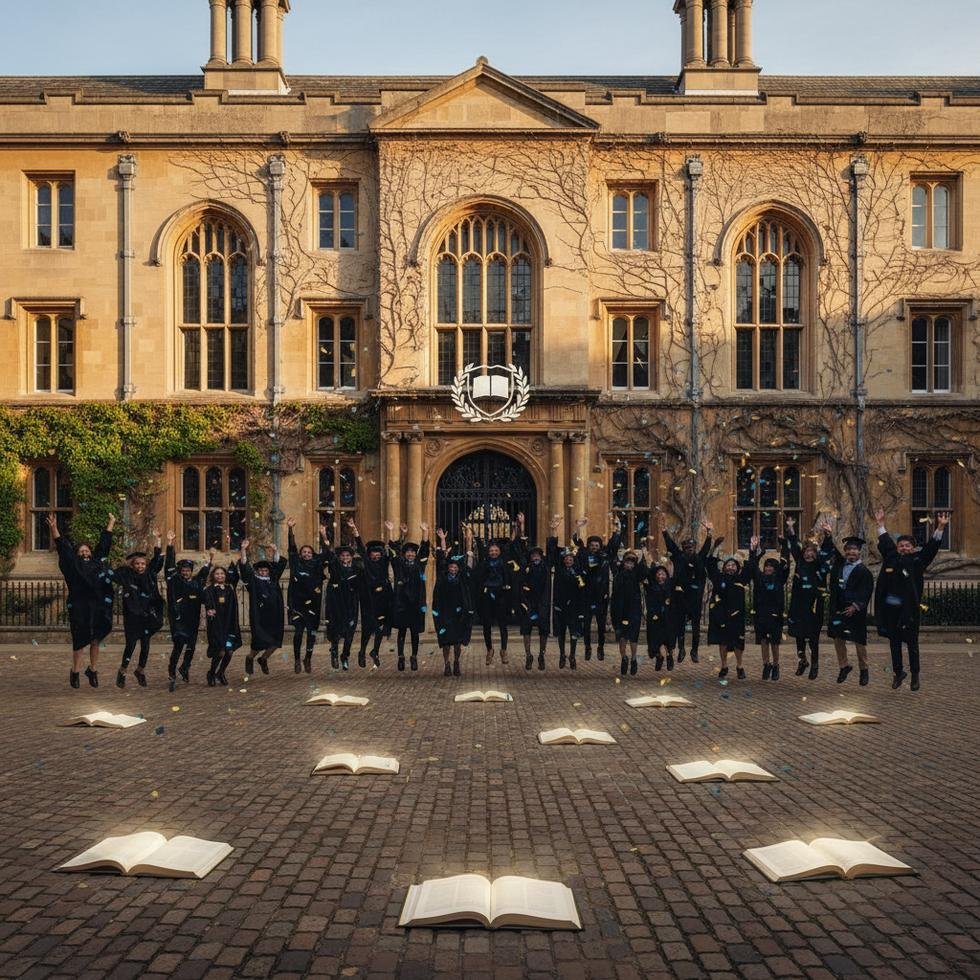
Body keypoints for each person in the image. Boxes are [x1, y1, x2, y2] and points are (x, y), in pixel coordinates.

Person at [874, 508, 947, 691]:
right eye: (901, 546)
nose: (904, 548)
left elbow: (931, 548)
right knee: (894, 644)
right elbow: (885, 543)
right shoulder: (891, 558)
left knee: (912, 645)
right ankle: (898, 673)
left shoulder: (918, 561)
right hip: (891, 610)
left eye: (907, 546)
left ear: (913, 548)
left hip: (909, 611)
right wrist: (880, 524)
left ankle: (915, 675)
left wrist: (940, 527)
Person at [50, 512, 116, 689]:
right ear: (76, 554)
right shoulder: (72, 566)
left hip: (97, 606)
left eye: (87, 550)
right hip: (79, 607)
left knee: (96, 639)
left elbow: (103, 546)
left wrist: (111, 523)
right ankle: (76, 671)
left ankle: (93, 670)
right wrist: (54, 529)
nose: (85, 553)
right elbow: (63, 548)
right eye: (81, 551)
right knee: (79, 640)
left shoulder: (96, 563)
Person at [822, 524, 876, 686]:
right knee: (838, 639)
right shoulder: (839, 565)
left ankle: (864, 669)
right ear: (845, 551)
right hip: (839, 608)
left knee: (859, 641)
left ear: (859, 552)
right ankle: (844, 666)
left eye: (854, 550)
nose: (851, 552)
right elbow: (831, 549)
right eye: (848, 550)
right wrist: (828, 534)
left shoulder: (864, 572)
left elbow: (866, 592)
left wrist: (855, 606)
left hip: (855, 611)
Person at [114, 531, 165, 689]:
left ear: (146, 565)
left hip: (147, 615)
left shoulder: (150, 574)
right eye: (137, 564)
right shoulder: (127, 575)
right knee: (130, 645)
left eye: (143, 564)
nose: (140, 566)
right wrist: (125, 562)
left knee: (145, 645)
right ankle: (122, 671)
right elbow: (115, 575)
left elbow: (158, 560)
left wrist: (158, 539)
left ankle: (140, 670)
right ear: (133, 565)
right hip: (133, 616)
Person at [164, 531, 213, 692]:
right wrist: (170, 544)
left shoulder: (196, 582)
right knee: (178, 647)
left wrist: (210, 560)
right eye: (183, 570)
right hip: (178, 619)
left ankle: (184, 667)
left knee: (191, 647)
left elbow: (204, 573)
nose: (186, 572)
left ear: (191, 571)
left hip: (192, 620)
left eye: (188, 570)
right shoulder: (174, 581)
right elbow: (169, 566)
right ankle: (172, 673)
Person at [785, 517, 832, 680]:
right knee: (798, 635)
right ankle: (802, 660)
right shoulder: (799, 561)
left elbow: (827, 552)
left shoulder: (819, 564)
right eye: (807, 552)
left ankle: (815, 664)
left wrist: (827, 535)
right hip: (798, 604)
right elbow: (793, 546)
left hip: (814, 605)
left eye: (812, 552)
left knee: (813, 637)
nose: (809, 554)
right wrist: (791, 528)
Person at [661, 515, 713, 664]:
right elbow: (671, 545)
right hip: (680, 597)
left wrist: (709, 535)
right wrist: (664, 532)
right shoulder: (678, 557)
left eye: (691, 547)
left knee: (696, 626)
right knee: (680, 625)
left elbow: (706, 548)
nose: (688, 550)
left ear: (694, 548)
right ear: (683, 549)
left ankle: (694, 650)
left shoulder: (699, 558)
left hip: (695, 597)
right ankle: (682, 648)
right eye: (686, 548)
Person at [572, 516, 621, 661]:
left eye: (597, 545)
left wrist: (617, 529)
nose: (594, 547)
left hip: (601, 596)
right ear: (589, 546)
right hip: (587, 595)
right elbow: (576, 541)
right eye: (592, 545)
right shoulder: (584, 554)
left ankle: (600, 647)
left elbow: (614, 544)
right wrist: (579, 527)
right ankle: (587, 647)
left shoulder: (605, 555)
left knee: (601, 626)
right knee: (586, 625)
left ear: (600, 546)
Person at [705, 526, 752, 679]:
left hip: (737, 614)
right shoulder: (718, 578)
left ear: (737, 568)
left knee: (739, 641)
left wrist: (752, 549)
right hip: (721, 614)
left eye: (733, 565)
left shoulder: (741, 579)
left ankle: (739, 666)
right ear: (724, 568)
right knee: (723, 641)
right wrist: (715, 547)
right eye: (728, 565)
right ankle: (724, 665)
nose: (731, 567)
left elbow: (750, 567)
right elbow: (710, 565)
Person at [286, 518, 329, 674]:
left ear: (313, 554)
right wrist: (290, 530)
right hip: (298, 604)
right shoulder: (295, 563)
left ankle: (308, 658)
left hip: (313, 605)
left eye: (309, 552)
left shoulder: (317, 563)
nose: (306, 554)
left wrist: (324, 535)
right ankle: (297, 659)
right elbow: (291, 548)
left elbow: (327, 553)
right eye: (304, 552)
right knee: (298, 633)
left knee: (311, 633)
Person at [239, 538, 287, 676]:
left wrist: (275, 551)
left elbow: (279, 564)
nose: (264, 572)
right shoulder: (253, 581)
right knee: (259, 642)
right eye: (261, 570)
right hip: (259, 616)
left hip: (275, 616)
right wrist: (243, 550)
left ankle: (263, 658)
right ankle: (250, 657)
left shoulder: (273, 579)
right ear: (257, 571)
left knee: (276, 641)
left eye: (266, 570)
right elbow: (244, 567)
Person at [432, 527, 475, 676]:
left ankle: (456, 662)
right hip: (445, 613)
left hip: (459, 614)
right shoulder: (442, 578)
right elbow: (441, 559)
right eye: (451, 566)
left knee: (457, 641)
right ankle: (446, 664)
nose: (453, 568)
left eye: (455, 567)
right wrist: (442, 540)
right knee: (445, 641)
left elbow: (469, 565)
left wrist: (469, 542)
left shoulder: (462, 579)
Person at [746, 535, 789, 681]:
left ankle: (776, 665)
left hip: (775, 615)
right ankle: (766, 664)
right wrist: (753, 550)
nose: (769, 568)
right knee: (763, 641)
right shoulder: (759, 578)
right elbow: (752, 566)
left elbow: (785, 564)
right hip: (761, 614)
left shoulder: (779, 579)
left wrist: (784, 546)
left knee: (775, 642)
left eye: (771, 566)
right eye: (767, 566)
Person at [511, 512, 550, 671]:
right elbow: (519, 546)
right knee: (526, 630)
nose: (535, 557)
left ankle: (541, 654)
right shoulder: (524, 566)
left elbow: (553, 548)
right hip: (528, 602)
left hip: (542, 602)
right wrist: (521, 526)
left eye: (537, 555)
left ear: (541, 556)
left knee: (543, 631)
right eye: (533, 555)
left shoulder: (546, 567)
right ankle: (528, 655)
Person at [390, 522, 431, 672]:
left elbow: (425, 550)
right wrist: (400, 534)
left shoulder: (420, 565)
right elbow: (394, 551)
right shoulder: (399, 564)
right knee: (401, 632)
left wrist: (425, 532)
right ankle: (401, 657)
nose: (410, 554)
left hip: (416, 603)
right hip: (402, 603)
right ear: (404, 554)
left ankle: (414, 657)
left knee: (414, 633)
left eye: (413, 552)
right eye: (408, 552)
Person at [471, 527, 513, 666]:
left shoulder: (504, 561)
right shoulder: (484, 562)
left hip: (501, 594)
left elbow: (511, 544)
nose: (493, 552)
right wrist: (475, 536)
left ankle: (504, 650)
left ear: (499, 552)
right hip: (487, 595)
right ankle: (489, 650)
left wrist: (518, 528)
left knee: (503, 625)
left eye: (495, 550)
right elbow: (479, 548)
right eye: (491, 551)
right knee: (486, 625)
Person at [354, 520, 394, 668]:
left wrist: (391, 532)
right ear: (369, 555)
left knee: (381, 628)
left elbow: (391, 551)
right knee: (368, 628)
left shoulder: (384, 562)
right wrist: (355, 532)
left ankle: (375, 652)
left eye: (378, 554)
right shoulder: (367, 563)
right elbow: (360, 548)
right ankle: (362, 651)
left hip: (383, 599)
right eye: (373, 554)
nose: (376, 556)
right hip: (369, 599)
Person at [548, 521, 587, 669]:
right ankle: (562, 654)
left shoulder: (578, 570)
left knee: (574, 632)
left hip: (574, 606)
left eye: (571, 558)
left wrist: (578, 529)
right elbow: (552, 549)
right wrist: (554, 532)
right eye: (566, 558)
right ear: (563, 559)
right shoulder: (559, 569)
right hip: (561, 605)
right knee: (562, 632)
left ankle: (572, 655)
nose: (569, 560)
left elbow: (582, 550)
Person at [323, 534, 360, 670]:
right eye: (343, 556)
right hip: (336, 604)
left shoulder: (356, 569)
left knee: (350, 632)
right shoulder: (335, 567)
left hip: (351, 604)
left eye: (347, 556)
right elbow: (329, 555)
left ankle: (345, 656)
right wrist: (324, 537)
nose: (345, 558)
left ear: (351, 557)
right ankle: (334, 652)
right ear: (339, 557)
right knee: (335, 631)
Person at [203, 560, 241, 686]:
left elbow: (236, 577)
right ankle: (211, 673)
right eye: (217, 574)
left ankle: (221, 672)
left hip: (229, 625)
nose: (220, 576)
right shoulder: (209, 590)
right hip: (217, 626)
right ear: (213, 576)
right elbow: (208, 602)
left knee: (229, 651)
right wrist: (209, 610)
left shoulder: (230, 589)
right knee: (220, 651)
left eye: (222, 574)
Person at [641, 537, 675, 671]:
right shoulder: (651, 586)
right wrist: (644, 550)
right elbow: (649, 566)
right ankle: (661, 657)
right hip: (654, 616)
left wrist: (670, 558)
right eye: (658, 574)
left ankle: (668, 656)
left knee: (668, 638)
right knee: (657, 639)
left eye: (663, 574)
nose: (660, 576)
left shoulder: (670, 585)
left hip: (668, 616)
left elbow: (672, 567)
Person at [610, 548, 645, 676]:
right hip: (620, 609)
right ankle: (624, 658)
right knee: (622, 636)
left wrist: (643, 557)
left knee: (633, 636)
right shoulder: (618, 573)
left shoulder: (637, 574)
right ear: (623, 562)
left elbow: (645, 573)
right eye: (627, 561)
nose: (629, 564)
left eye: (632, 562)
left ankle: (634, 658)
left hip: (634, 609)